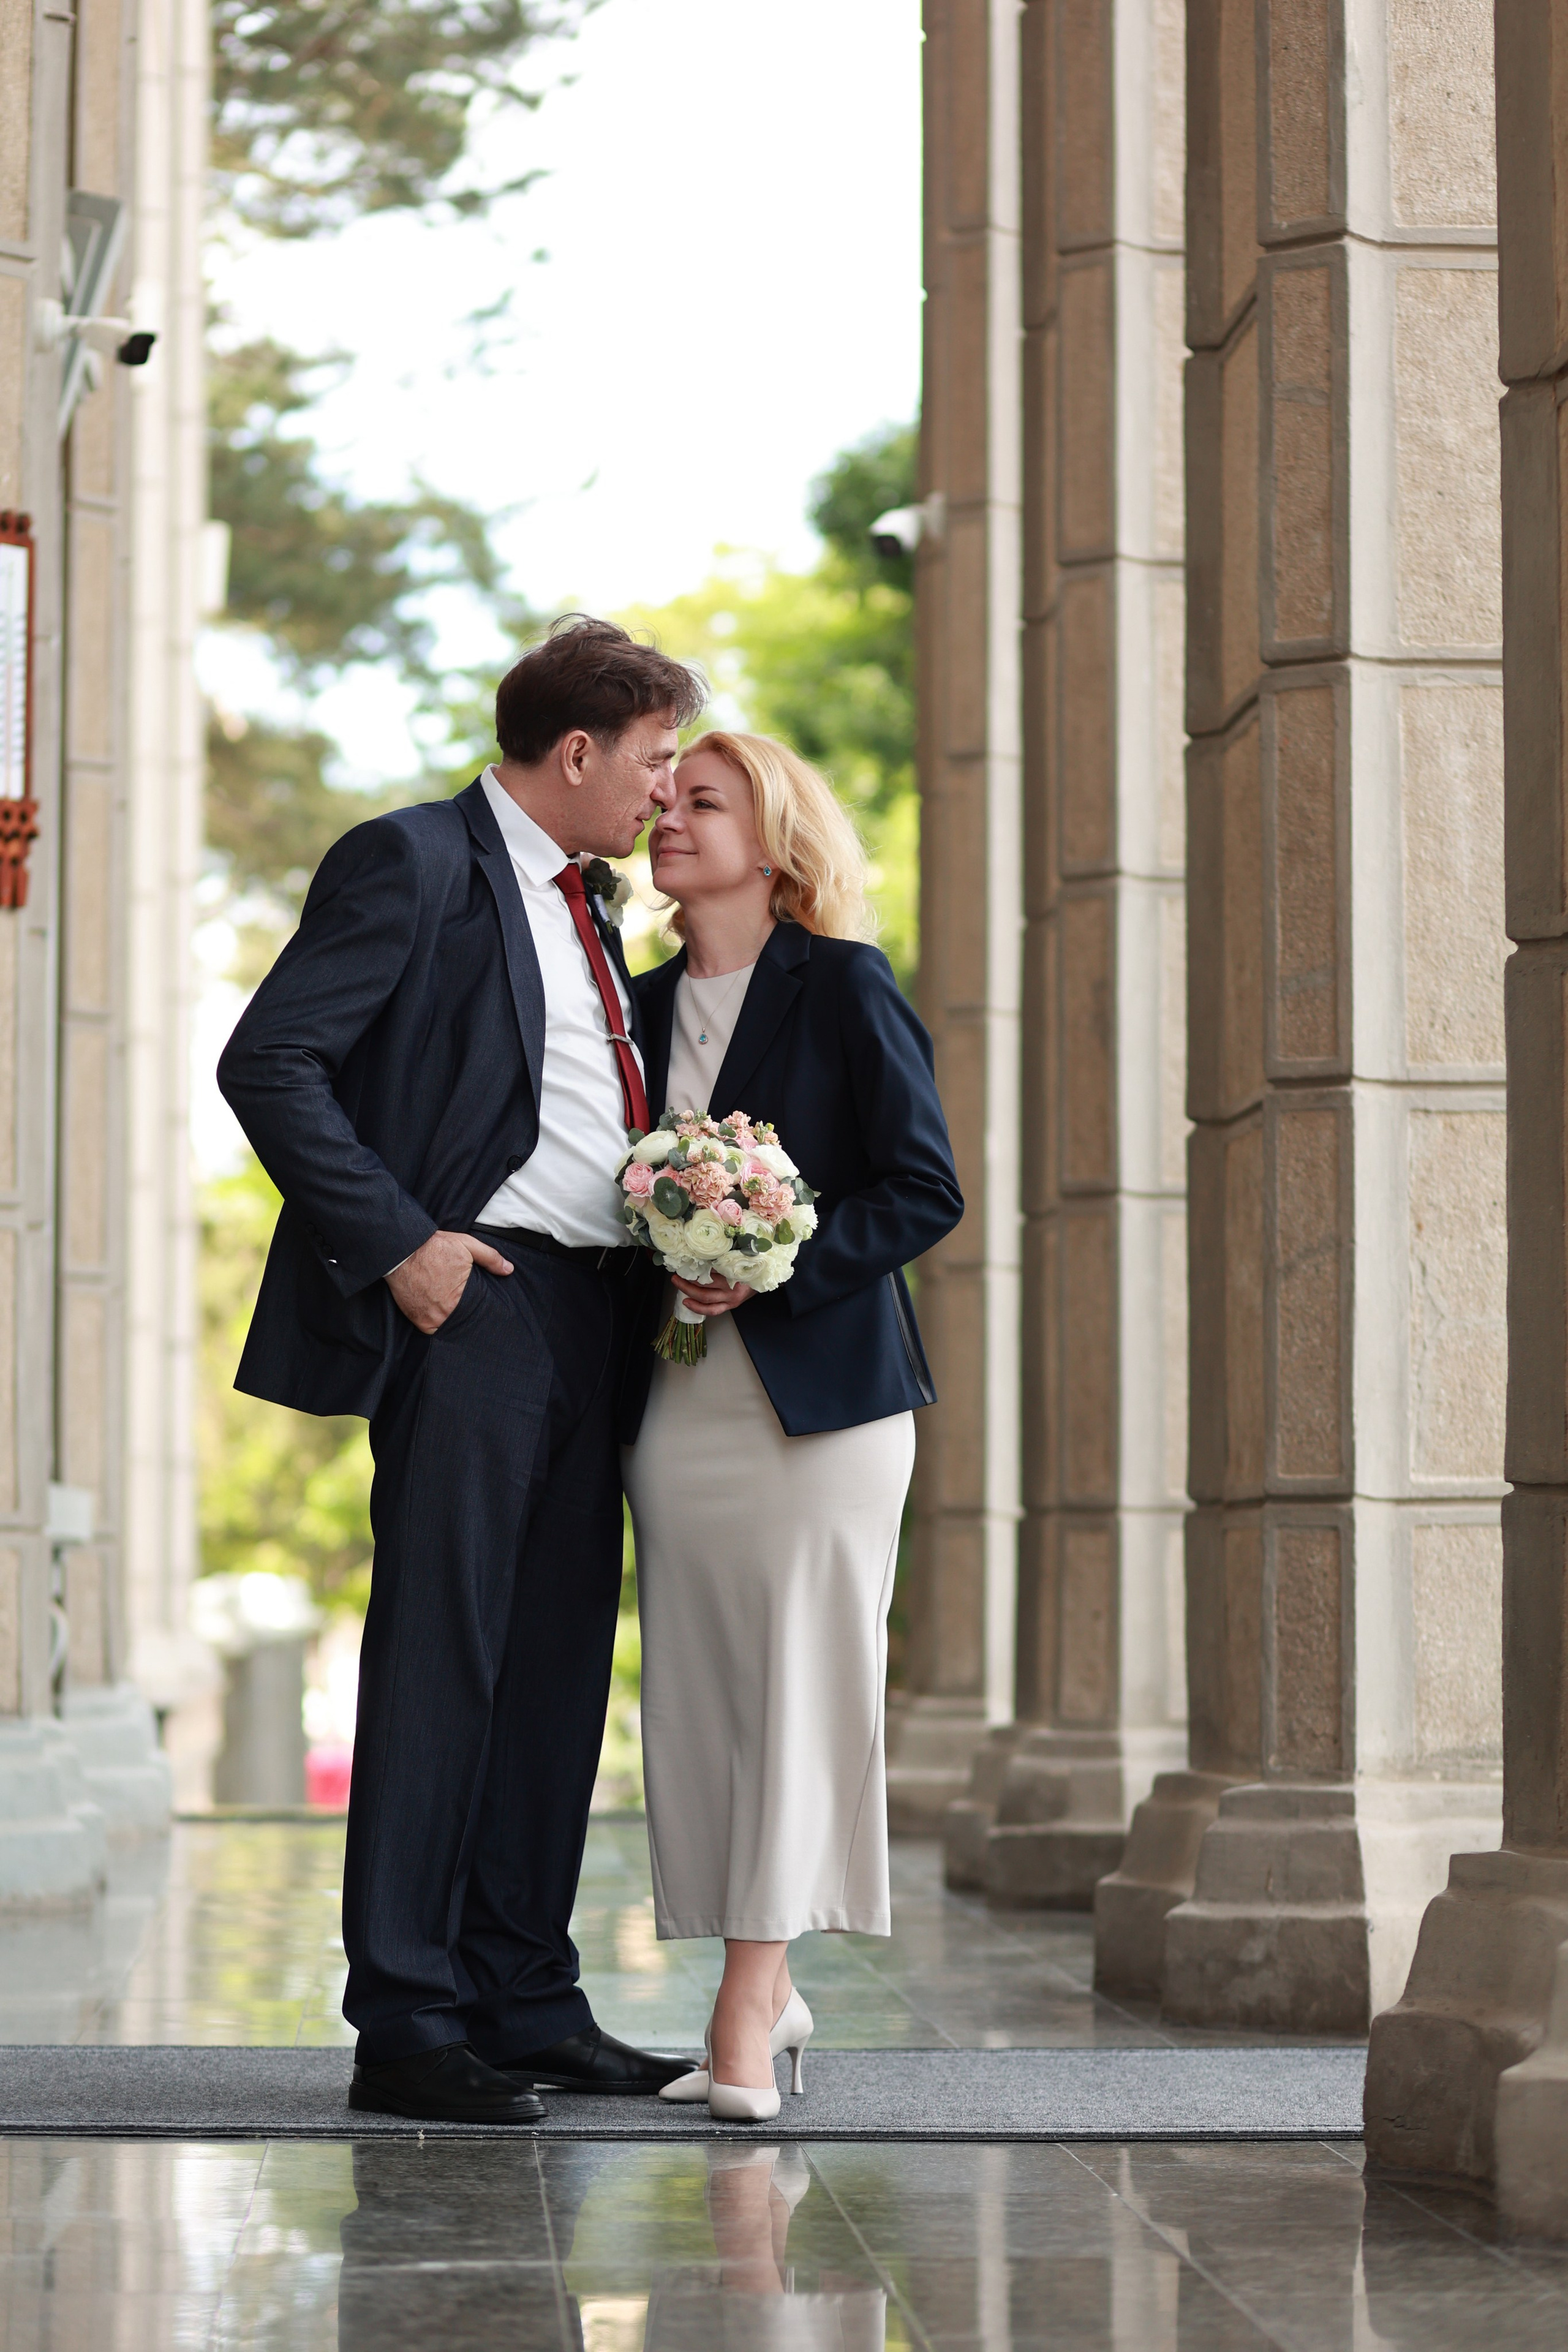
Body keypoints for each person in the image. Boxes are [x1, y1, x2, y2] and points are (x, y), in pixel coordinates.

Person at [217, 616, 704, 2123]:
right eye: (650, 758)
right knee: (443, 1658)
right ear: (575, 752)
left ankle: (525, 1996)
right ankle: (410, 2024)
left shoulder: (595, 902)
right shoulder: (414, 862)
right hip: (470, 1300)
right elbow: (269, 1059)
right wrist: (403, 1245)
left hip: (596, 1312)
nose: (663, 788)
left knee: (558, 1665)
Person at [622, 731, 963, 2122]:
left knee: (802, 1691)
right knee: (699, 1696)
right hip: (670, 1401)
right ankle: (762, 1974)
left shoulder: (842, 986)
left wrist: (774, 1257)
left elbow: (919, 1186)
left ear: (771, 842)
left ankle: (743, 2007)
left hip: (823, 1407)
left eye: (701, 804)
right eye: (662, 803)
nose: (668, 823)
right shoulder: (627, 1010)